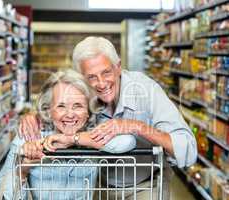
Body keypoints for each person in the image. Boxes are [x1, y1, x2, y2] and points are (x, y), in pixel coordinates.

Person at [19, 36, 198, 199]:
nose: (102, 83)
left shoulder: (147, 90)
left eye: (106, 72)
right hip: (97, 186)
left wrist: (135, 126)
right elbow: (61, 109)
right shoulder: (84, 94)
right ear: (81, 77)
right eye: (91, 77)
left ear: (118, 67)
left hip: (144, 185)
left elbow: (187, 148)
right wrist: (35, 116)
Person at [0, 69, 136, 199]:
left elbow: (128, 142)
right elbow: (2, 192)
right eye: (61, 106)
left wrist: (72, 139)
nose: (70, 114)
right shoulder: (31, 134)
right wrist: (23, 170)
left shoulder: (93, 131)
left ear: (88, 110)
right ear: (49, 110)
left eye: (78, 106)